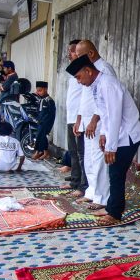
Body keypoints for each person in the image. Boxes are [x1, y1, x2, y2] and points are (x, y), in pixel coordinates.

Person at [66, 55, 140, 225]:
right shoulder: (97, 85)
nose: (79, 82)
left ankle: (115, 213)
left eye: (79, 77)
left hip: (128, 135)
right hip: (118, 135)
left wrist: (111, 146)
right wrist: (104, 135)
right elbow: (105, 113)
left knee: (116, 173)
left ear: (88, 70)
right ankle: (112, 207)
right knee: (115, 172)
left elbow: (115, 116)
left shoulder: (108, 84)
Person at [73, 39, 117, 210]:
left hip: (99, 123)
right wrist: (80, 120)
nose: (77, 59)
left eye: (79, 55)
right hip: (88, 121)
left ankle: (102, 197)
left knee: (99, 160)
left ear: (90, 54)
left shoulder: (104, 69)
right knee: (90, 159)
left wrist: (94, 120)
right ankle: (92, 192)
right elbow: (84, 99)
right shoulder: (86, 69)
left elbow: (107, 102)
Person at [63, 39, 89, 198]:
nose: (69, 54)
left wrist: (80, 120)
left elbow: (85, 98)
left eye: (71, 51)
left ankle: (83, 186)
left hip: (80, 120)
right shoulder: (73, 74)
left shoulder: (85, 72)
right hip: (71, 118)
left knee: (81, 153)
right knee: (73, 152)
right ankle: (75, 181)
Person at [33, 81, 56, 160]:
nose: (38, 92)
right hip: (40, 122)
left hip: (46, 123)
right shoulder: (41, 99)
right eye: (37, 90)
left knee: (41, 136)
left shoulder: (49, 100)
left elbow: (51, 114)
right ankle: (44, 152)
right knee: (40, 136)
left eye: (40, 90)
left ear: (45, 89)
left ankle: (40, 152)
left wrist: (45, 122)